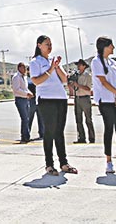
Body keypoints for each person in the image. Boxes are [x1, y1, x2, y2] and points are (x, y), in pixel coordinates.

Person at [29, 35, 76, 176]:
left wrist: (57, 66)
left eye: (50, 44)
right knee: (49, 131)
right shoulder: (35, 62)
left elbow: (64, 79)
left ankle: (64, 162)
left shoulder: (52, 61)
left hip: (60, 98)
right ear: (39, 45)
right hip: (46, 99)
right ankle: (49, 164)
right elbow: (37, 81)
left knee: (59, 131)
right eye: (46, 44)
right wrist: (50, 69)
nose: (49, 46)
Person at [92, 36, 116, 174]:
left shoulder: (113, 62)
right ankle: (108, 162)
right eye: (111, 46)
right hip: (106, 100)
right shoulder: (96, 62)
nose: (113, 48)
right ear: (104, 47)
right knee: (109, 129)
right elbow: (103, 82)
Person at [70, 59, 95, 144]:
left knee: (88, 119)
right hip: (77, 98)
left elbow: (88, 89)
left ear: (84, 66)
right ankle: (81, 137)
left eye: (80, 65)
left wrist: (78, 85)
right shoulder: (76, 75)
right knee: (78, 119)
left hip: (85, 98)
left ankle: (91, 137)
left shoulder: (87, 76)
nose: (78, 66)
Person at [12, 62, 32, 143]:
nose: (25, 70)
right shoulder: (16, 77)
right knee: (24, 118)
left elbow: (25, 88)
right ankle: (24, 136)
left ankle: (26, 135)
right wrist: (26, 93)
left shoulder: (24, 77)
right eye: (23, 68)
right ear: (19, 68)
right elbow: (16, 89)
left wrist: (29, 93)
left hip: (25, 99)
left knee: (27, 118)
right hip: (20, 99)